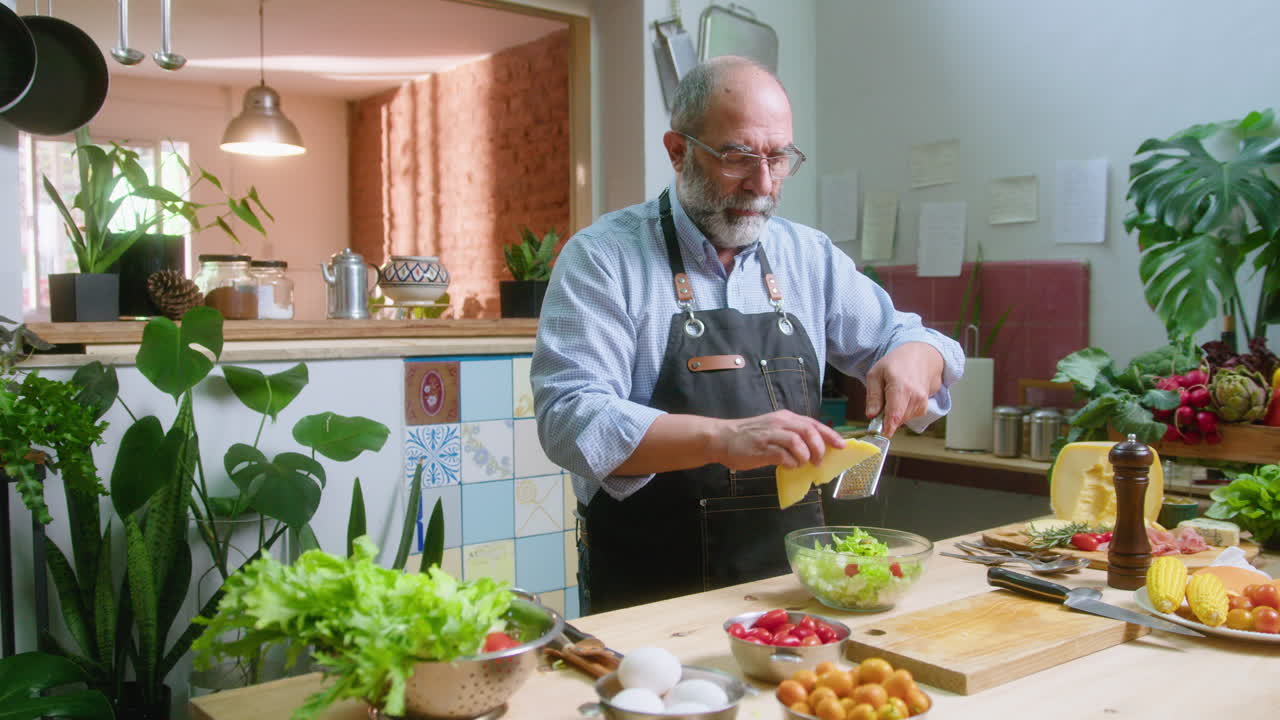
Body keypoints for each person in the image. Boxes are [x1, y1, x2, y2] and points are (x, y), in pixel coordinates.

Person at [531, 56, 964, 614]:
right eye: (737, 157)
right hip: (651, 594)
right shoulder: (603, 259)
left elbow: (913, 339)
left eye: (778, 158)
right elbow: (571, 418)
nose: (762, 184)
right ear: (677, 150)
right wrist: (724, 438)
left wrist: (914, 353)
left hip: (794, 590)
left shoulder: (807, 256)